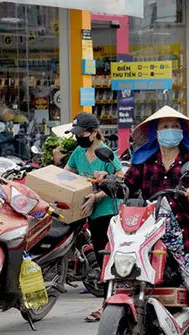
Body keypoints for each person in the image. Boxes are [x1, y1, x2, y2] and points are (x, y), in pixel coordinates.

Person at [124, 106, 189, 335]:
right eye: (164, 127)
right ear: (155, 132)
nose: (169, 132)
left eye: (174, 127)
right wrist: (109, 179)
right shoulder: (145, 161)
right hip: (148, 235)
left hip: (188, 236)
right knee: (126, 278)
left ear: (182, 131)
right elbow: (127, 183)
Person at [63, 112, 124, 322]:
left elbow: (118, 180)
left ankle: (111, 305)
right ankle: (108, 303)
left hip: (109, 212)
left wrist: (96, 196)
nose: (77, 137)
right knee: (100, 258)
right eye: (76, 133)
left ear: (93, 132)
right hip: (91, 213)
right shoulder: (77, 154)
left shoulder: (106, 154)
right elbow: (66, 174)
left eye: (80, 133)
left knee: (110, 258)